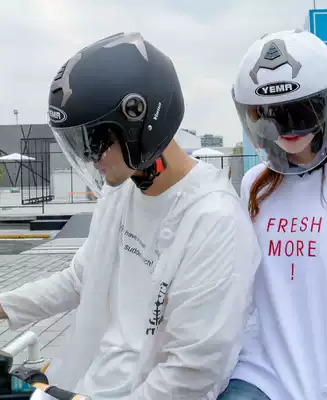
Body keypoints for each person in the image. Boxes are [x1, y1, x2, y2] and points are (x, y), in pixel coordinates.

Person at [0, 32, 261, 400]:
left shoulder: (213, 220)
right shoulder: (121, 192)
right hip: (89, 381)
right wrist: (4, 305)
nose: (90, 158)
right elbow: (78, 280)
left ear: (140, 122)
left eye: (95, 141)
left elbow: (192, 372)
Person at [218, 29, 327, 400]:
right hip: (262, 377)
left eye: (301, 109)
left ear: (326, 105)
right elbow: (244, 293)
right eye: (270, 115)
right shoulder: (255, 185)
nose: (287, 126)